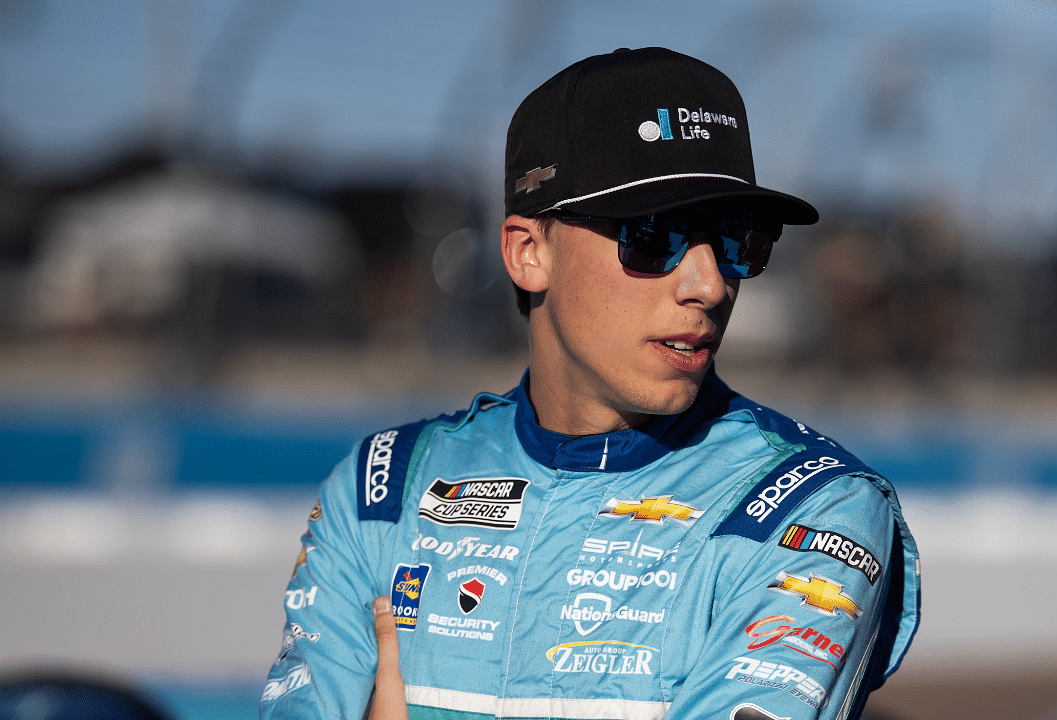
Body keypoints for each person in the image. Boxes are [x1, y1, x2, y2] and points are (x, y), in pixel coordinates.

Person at [260, 47, 920, 720]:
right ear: (528, 252)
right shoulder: (383, 490)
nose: (710, 284)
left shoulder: (810, 512)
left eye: (737, 240)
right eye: (652, 235)